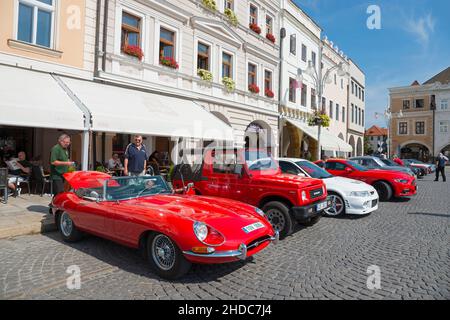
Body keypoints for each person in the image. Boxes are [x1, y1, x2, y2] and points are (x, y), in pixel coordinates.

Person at [50, 134, 74, 199]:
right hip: (57, 175)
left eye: (68, 142)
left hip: (64, 174)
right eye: (66, 142)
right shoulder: (56, 148)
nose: (67, 144)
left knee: (61, 193)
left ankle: (53, 208)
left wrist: (70, 163)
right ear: (60, 141)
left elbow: (65, 159)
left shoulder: (65, 149)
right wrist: (67, 163)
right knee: (59, 192)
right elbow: (53, 162)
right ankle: (55, 207)